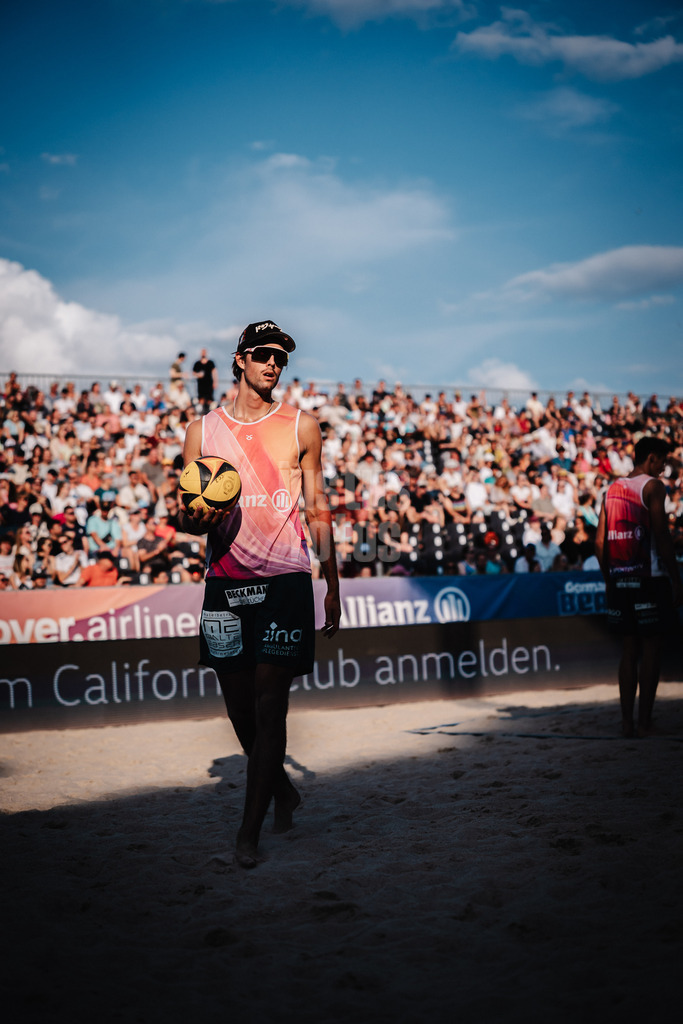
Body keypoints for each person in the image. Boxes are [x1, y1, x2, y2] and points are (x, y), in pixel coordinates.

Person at [180, 320, 341, 869]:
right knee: (240, 711)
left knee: (272, 704)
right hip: (225, 583)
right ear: (240, 359)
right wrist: (192, 515)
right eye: (265, 354)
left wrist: (332, 583)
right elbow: (189, 517)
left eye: (282, 357)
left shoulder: (303, 426)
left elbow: (318, 507)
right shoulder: (202, 431)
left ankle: (248, 831)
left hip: (285, 579)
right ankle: (282, 790)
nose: (275, 364)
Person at [595, 436, 683, 738]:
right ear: (651, 459)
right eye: (662, 461)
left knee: (629, 650)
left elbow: (598, 543)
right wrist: (676, 577)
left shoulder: (613, 488)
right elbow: (660, 534)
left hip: (621, 577)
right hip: (650, 577)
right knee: (652, 649)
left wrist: (610, 579)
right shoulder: (653, 487)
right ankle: (645, 722)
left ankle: (626, 724)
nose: (663, 468)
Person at [192, 348, 218, 412]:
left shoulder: (210, 363)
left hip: (209, 384)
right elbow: (193, 373)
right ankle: (201, 412)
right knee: (201, 399)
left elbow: (214, 372)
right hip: (201, 384)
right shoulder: (197, 363)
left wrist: (215, 382)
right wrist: (198, 375)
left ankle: (210, 412)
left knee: (209, 399)